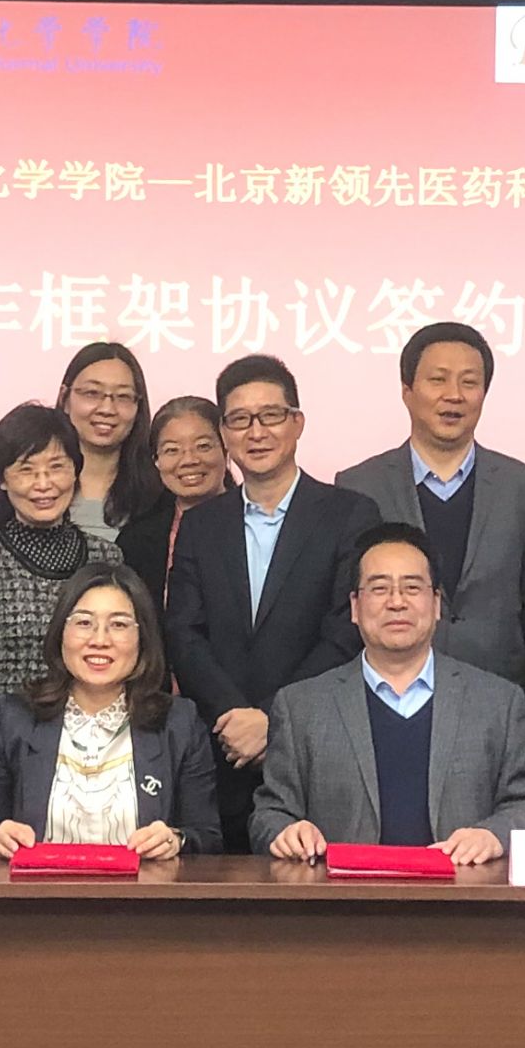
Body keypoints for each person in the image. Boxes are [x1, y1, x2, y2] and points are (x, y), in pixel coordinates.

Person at [255, 522, 525, 864]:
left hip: (462, 893)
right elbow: (269, 813)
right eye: (379, 589)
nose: (397, 602)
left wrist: (493, 835)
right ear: (355, 606)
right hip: (343, 895)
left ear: (436, 603)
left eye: (412, 587)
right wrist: (286, 832)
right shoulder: (301, 706)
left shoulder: (497, 702)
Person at [165, 355, 364, 848]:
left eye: (270, 415)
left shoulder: (349, 514)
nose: (256, 432)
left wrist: (273, 718)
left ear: (297, 423)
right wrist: (235, 717)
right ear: (224, 432)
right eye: (239, 419)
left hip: (316, 746)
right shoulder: (201, 525)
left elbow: (346, 629)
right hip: (221, 749)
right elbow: (184, 633)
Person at [338, 320, 525, 690]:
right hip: (386, 691)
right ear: (407, 391)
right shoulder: (359, 486)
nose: (454, 395)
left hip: (496, 696)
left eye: (469, 382)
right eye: (438, 380)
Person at [0, 566, 221, 857]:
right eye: (84, 622)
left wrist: (176, 840)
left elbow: (208, 837)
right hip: (41, 886)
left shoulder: (178, 723)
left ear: (143, 637)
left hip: (144, 886)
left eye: (119, 625)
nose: (100, 640)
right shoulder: (12, 719)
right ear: (61, 632)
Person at [0, 401, 104, 785]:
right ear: (1, 480)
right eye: (26, 470)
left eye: (57, 467)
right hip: (0, 768)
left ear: (76, 470)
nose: (43, 484)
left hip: (95, 769)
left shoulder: (105, 557)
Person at [123, 395, 230, 619]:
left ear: (226, 449)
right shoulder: (135, 541)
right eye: (172, 450)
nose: (189, 460)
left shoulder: (259, 524)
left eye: (203, 446)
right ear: (156, 460)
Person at [56, 339, 157, 554]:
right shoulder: (28, 485)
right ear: (65, 398)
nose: (107, 409)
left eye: (123, 397)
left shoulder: (159, 494)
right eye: (92, 393)